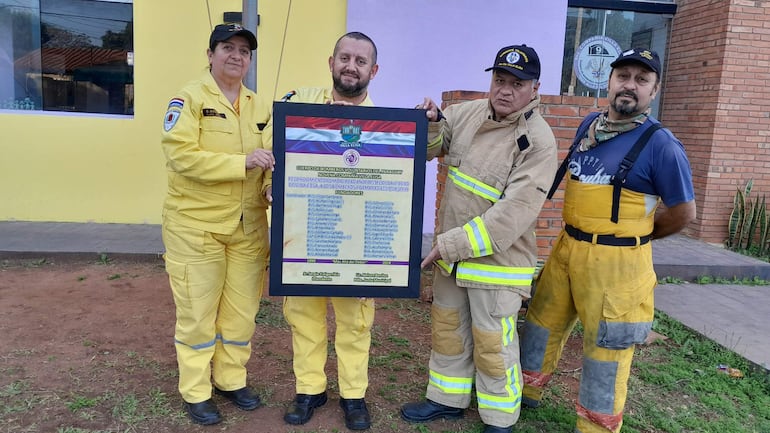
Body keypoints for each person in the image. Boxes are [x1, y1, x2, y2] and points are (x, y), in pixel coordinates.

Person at [519, 48, 696, 433]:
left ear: (654, 90)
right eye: (623, 76)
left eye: (641, 80)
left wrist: (634, 238)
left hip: (617, 267)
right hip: (567, 250)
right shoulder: (590, 125)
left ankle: (596, 428)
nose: (629, 86)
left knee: (606, 352)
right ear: (610, 81)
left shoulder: (662, 145)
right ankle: (524, 395)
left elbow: (684, 214)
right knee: (540, 325)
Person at [400, 45, 558, 433]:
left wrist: (449, 246)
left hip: (496, 266)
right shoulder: (468, 113)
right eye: (499, 80)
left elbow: (511, 216)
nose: (505, 90)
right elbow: (430, 147)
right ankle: (446, 400)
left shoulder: (539, 141)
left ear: (534, 87)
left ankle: (500, 418)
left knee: (493, 345)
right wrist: (433, 121)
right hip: (453, 258)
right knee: (448, 329)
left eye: (516, 84)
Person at [262, 31, 379, 431]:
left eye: (360, 61)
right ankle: (310, 389)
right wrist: (269, 185)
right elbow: (270, 153)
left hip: (357, 244)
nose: (351, 66)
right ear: (331, 62)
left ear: (373, 70)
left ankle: (353, 395)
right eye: (344, 57)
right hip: (304, 236)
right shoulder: (297, 107)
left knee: (355, 321)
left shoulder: (388, 125)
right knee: (304, 317)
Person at [159, 23, 275, 426]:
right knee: (197, 313)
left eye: (244, 51)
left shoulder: (260, 106)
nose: (236, 56)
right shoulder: (188, 99)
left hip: (247, 228)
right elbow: (182, 156)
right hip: (196, 227)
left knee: (241, 314)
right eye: (228, 47)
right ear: (210, 54)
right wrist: (241, 163)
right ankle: (196, 390)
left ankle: (230, 379)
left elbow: (272, 160)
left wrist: (273, 188)